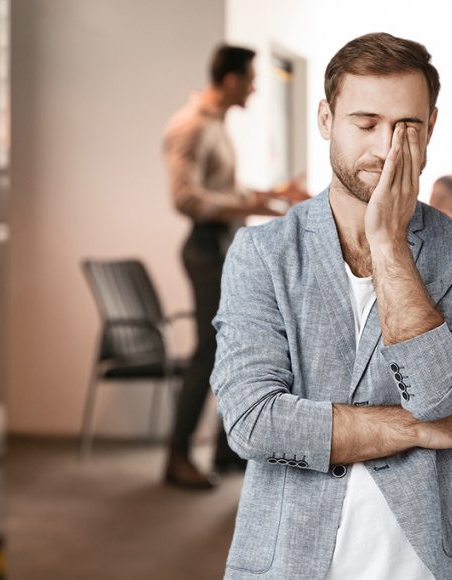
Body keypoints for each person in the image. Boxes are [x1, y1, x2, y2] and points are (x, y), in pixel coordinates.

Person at [211, 33, 452, 579]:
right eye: (366, 124)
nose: (387, 149)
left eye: (407, 127)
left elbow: (437, 396)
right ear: (326, 119)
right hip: (291, 560)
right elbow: (253, 422)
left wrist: (389, 244)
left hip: (430, 560)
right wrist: (415, 429)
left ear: (431, 126)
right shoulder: (262, 253)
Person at [162, 44, 307, 489]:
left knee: (234, 347)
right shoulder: (191, 126)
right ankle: (177, 457)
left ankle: (228, 452)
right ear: (231, 80)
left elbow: (224, 188)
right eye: (251, 79)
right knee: (209, 350)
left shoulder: (216, 125)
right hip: (205, 249)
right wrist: (250, 205)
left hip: (223, 247)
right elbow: (186, 198)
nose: (255, 88)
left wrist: (270, 196)